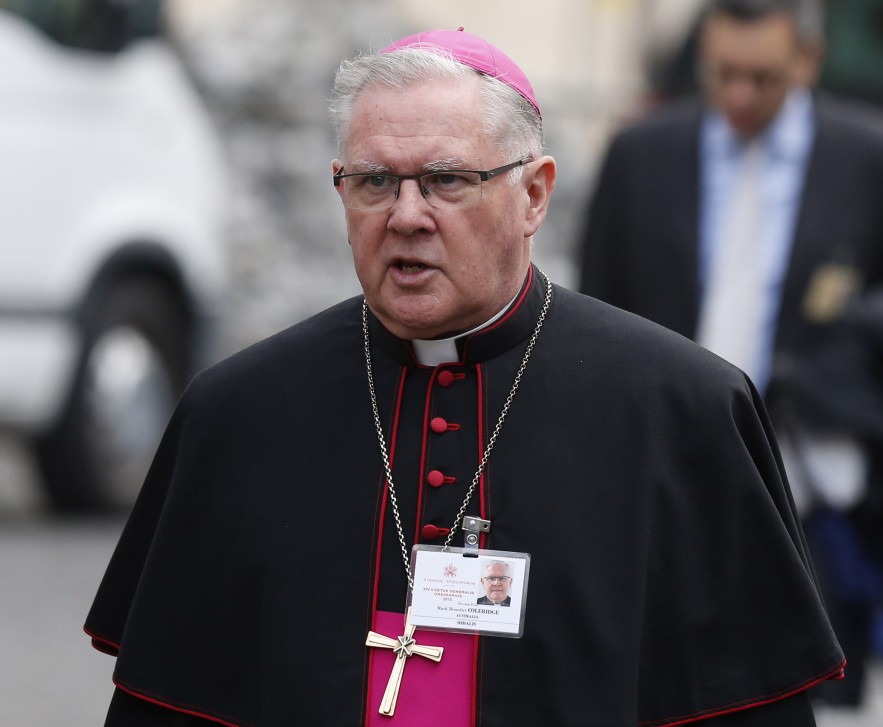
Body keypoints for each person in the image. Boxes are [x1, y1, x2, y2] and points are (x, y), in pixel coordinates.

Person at [85, 27, 844, 727]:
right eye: (375, 182)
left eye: (446, 180)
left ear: (534, 195)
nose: (407, 215)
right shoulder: (237, 415)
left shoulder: (684, 410)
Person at [577, 0, 883, 721]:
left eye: (762, 77)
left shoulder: (878, 158)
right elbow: (593, 314)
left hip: (805, 486)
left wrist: (840, 386)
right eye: (722, 73)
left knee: (792, 690)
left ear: (808, 61)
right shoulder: (641, 153)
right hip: (662, 474)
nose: (738, 95)